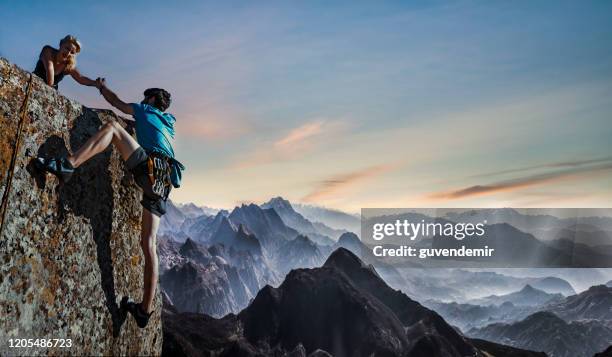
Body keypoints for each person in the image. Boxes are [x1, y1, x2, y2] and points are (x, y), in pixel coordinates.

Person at [35, 78, 184, 328]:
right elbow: (150, 131)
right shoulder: (169, 123)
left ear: (150, 100)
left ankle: (68, 165)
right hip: (164, 181)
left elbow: (117, 104)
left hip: (148, 169)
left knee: (113, 128)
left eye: (145, 98)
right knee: (149, 245)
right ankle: (144, 311)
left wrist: (101, 87)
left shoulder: (145, 109)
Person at [33, 35, 98, 89]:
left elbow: (80, 78)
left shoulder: (69, 65)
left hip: (51, 91)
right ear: (61, 45)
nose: (68, 53)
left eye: (72, 52)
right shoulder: (48, 51)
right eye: (67, 48)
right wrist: (49, 89)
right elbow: (50, 68)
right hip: (35, 83)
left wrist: (95, 83)